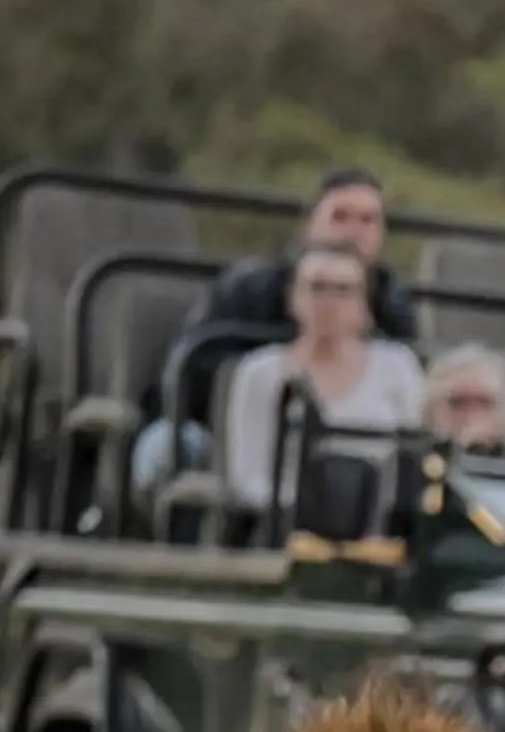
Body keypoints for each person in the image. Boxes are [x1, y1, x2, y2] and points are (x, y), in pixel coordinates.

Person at [133, 166, 420, 492]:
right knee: (167, 447)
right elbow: (190, 373)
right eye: (341, 217)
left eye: (369, 220)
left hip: (352, 458)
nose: (355, 231)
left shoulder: (393, 308)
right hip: (231, 430)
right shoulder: (247, 289)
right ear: (309, 224)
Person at [215, 240, 426, 518]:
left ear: (366, 305)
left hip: (378, 526)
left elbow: (414, 460)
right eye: (317, 288)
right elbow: (246, 476)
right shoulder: (259, 371)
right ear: (293, 298)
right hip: (280, 524)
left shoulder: (398, 366)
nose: (329, 302)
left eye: (344, 291)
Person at [424, 344, 505, 455]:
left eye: (485, 404)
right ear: (431, 409)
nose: (470, 416)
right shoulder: (410, 463)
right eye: (457, 403)